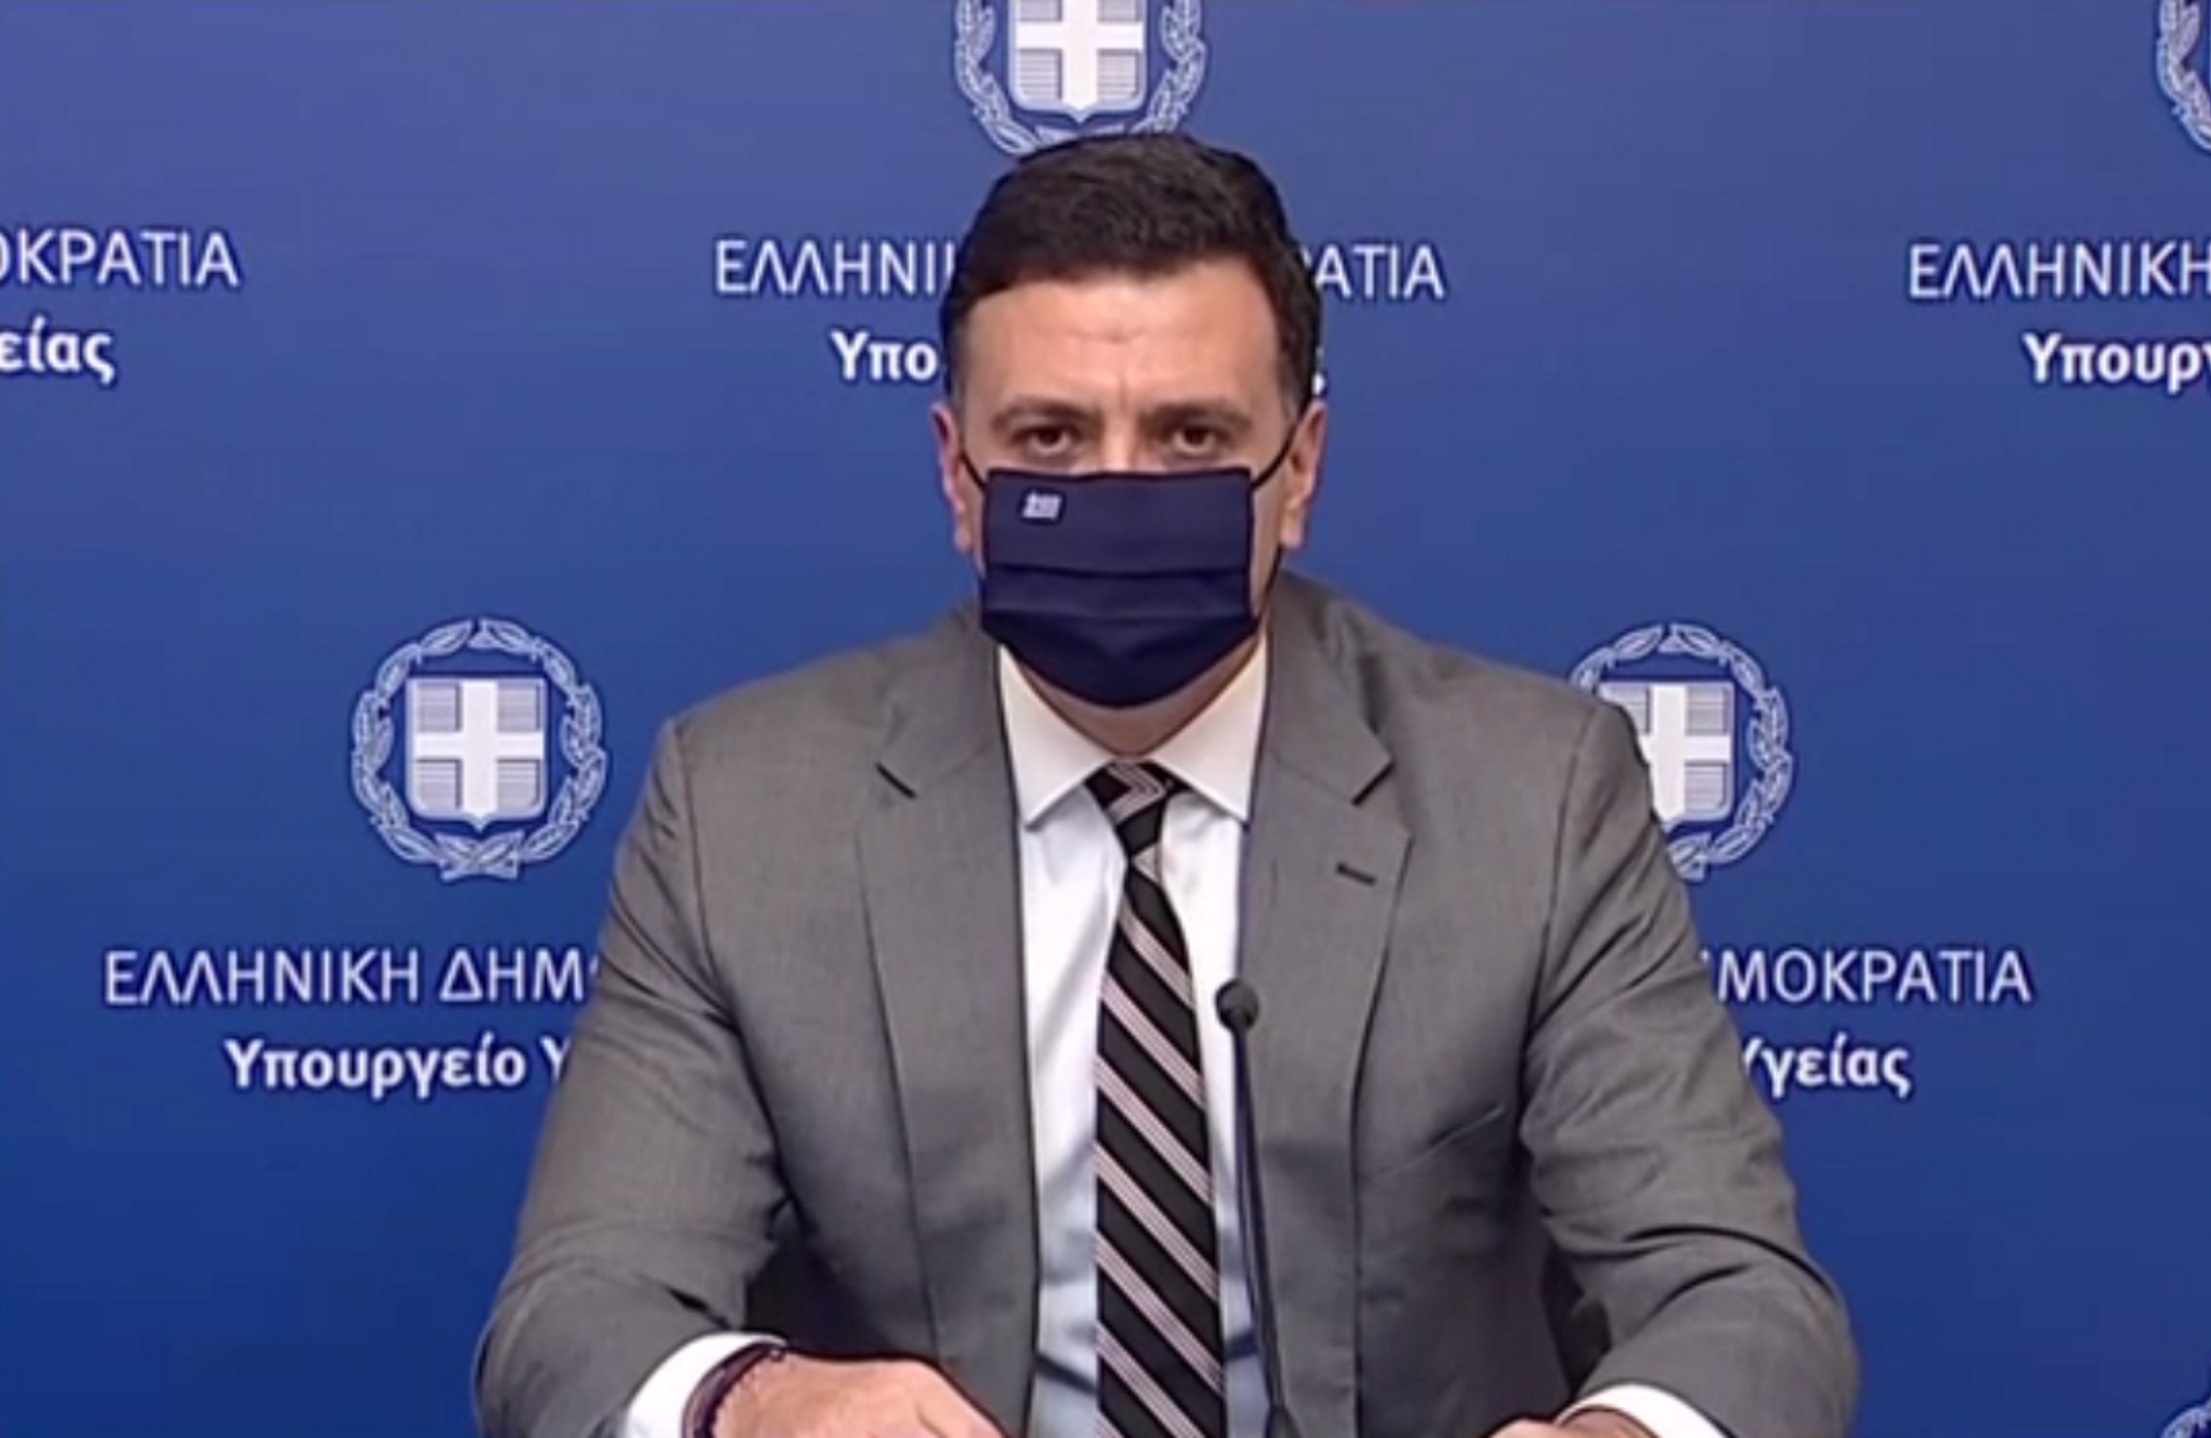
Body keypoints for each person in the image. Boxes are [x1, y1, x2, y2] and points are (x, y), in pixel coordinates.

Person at [474, 132, 1857, 1438]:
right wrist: (759, 1404)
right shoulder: (744, 815)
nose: (1122, 491)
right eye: (1052, 439)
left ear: (1299, 471)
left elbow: (1739, 1297)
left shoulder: (1534, 799)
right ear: (956, 474)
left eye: (1192, 437)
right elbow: (577, 1313)